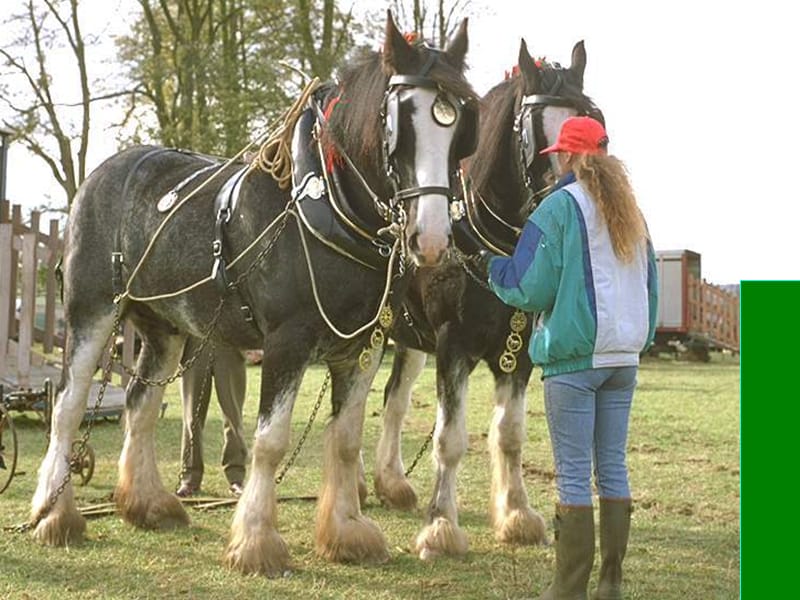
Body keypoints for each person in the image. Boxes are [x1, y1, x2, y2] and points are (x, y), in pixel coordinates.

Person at [476, 116, 658, 600]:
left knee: (575, 475)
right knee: (612, 467)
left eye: (558, 153)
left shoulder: (557, 207)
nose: (554, 160)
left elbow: (527, 286)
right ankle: (611, 585)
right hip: (624, 358)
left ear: (572, 156)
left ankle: (567, 591)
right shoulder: (632, 210)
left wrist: (488, 266)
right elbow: (651, 287)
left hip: (575, 361)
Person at [176, 337, 248, 498]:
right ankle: (190, 479)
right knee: (191, 419)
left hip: (230, 344)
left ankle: (236, 478)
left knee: (233, 418)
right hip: (194, 345)